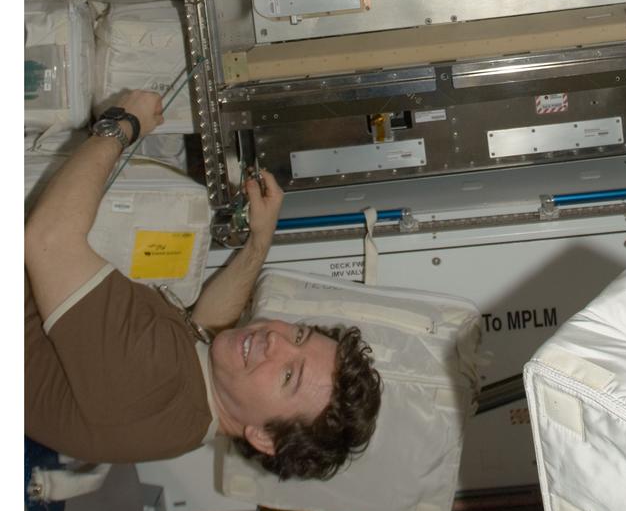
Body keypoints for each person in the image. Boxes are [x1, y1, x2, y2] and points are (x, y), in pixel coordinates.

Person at [25, 89, 382, 480]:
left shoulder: (154, 379)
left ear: (264, 436)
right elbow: (205, 327)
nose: (274, 342)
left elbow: (47, 239)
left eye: (287, 376)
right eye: (299, 336)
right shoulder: (195, 414)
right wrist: (259, 243)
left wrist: (121, 125)